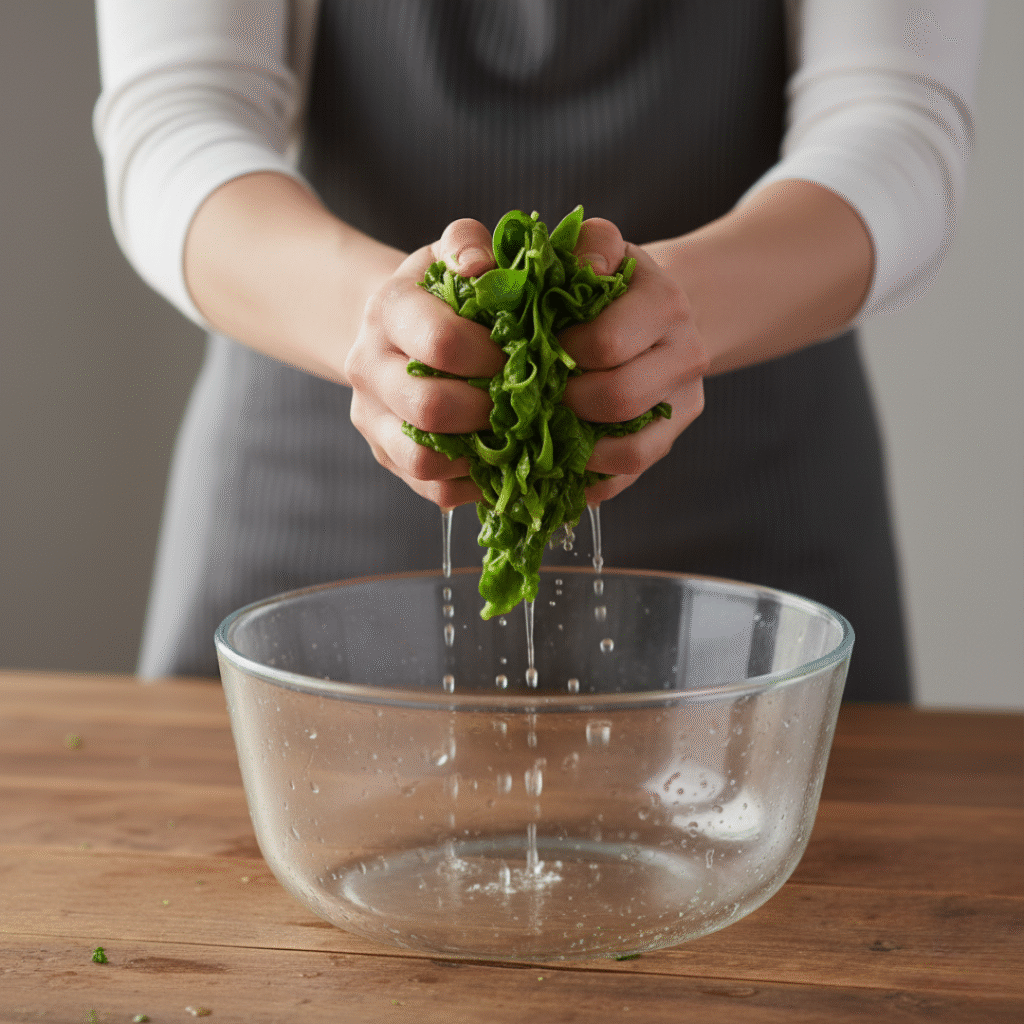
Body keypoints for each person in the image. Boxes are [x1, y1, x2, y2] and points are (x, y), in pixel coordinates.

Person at [93, 1, 985, 698]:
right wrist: (372, 319)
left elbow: (896, 116)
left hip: (755, 525)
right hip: (305, 493)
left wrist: (684, 315)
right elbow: (175, 109)